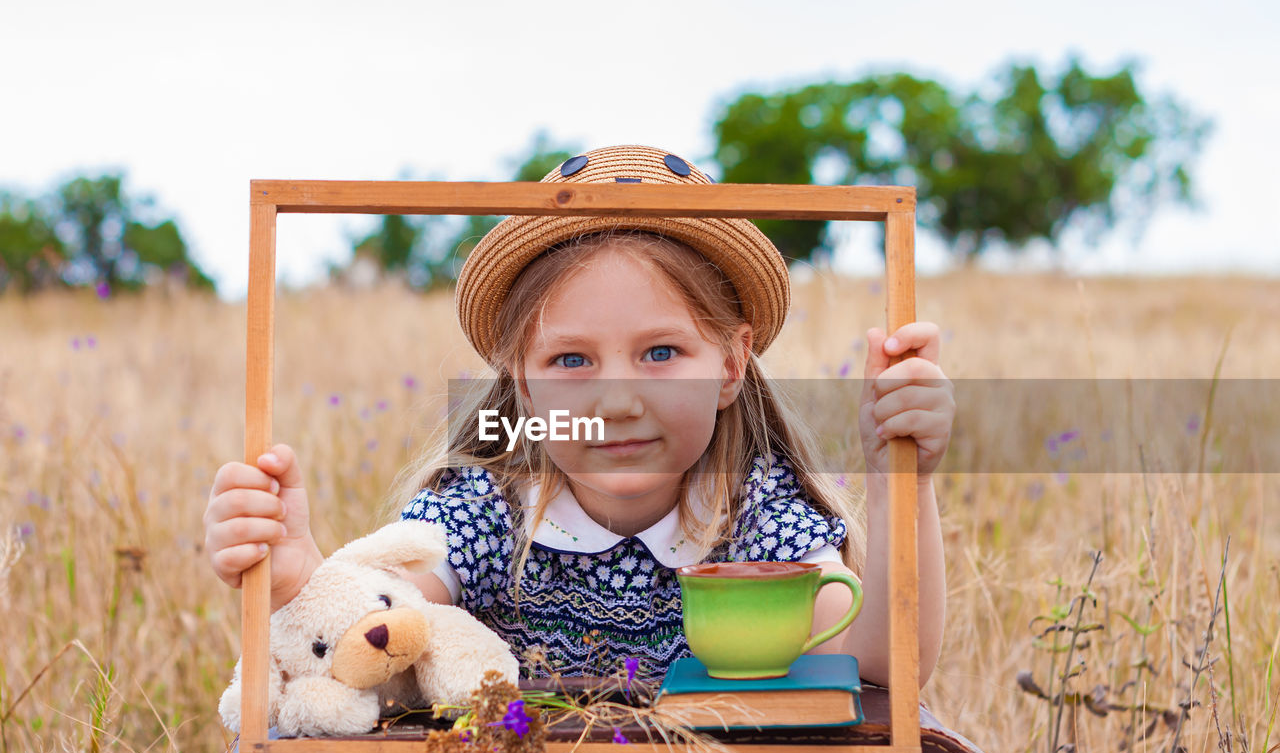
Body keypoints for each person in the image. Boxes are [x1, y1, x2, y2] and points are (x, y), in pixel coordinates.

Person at [202, 145, 954, 687]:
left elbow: (886, 660)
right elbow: (381, 618)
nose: (618, 400)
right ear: (522, 388)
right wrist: (300, 579)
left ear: (730, 365)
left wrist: (900, 479)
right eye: (571, 361)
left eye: (661, 352)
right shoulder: (489, 506)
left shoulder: (753, 506)